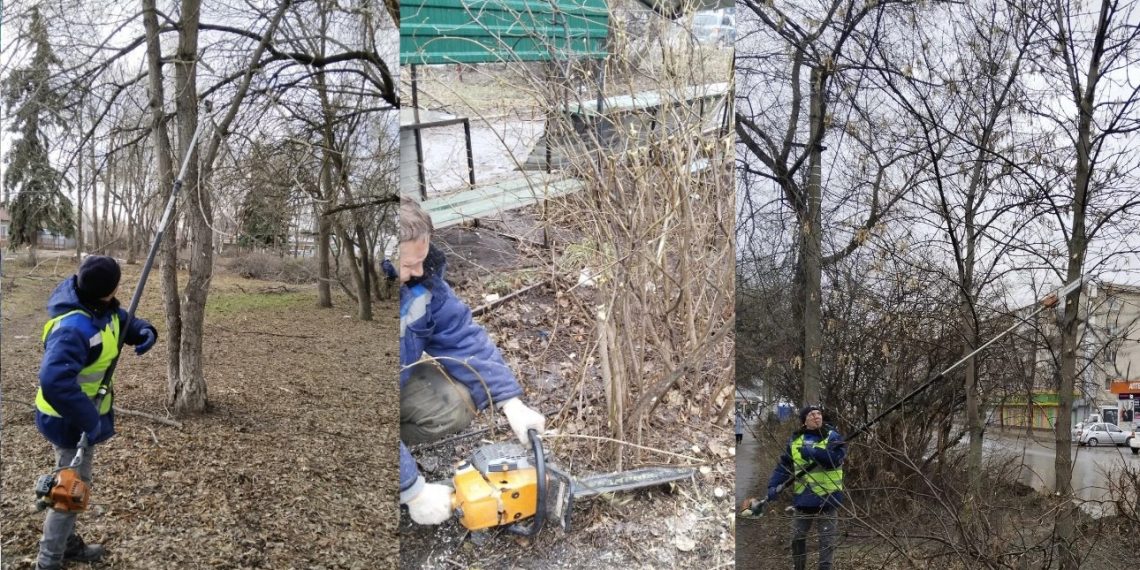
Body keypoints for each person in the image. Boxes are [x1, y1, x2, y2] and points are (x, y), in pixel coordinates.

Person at [396, 198, 546, 525]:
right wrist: (412, 489)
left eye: (422, 260)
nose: (419, 272)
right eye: (409, 265)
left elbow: (460, 333)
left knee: (454, 401)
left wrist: (510, 402)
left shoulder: (422, 283)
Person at [35, 256, 158, 569]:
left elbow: (120, 319)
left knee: (75, 482)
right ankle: (50, 559)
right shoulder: (74, 327)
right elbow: (53, 381)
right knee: (69, 491)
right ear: (111, 286)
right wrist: (90, 422)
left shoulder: (99, 305)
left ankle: (66, 544)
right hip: (69, 421)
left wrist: (144, 331)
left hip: (80, 418)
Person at [766, 405, 847, 570]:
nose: (816, 416)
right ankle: (799, 567)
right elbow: (784, 466)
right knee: (797, 538)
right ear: (804, 422)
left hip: (828, 498)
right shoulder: (795, 441)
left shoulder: (833, 437)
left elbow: (837, 460)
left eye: (818, 414)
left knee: (827, 541)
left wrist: (815, 452)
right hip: (804, 499)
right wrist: (773, 485)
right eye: (811, 415)